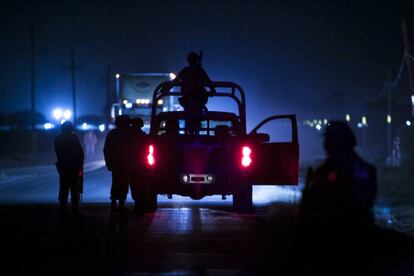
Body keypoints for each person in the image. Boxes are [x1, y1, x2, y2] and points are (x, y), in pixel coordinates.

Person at [300, 121, 377, 227]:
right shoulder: (364, 168)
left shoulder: (327, 171)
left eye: (328, 140)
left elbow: (311, 207)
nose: (325, 144)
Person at [175, 51, 213, 134]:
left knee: (192, 118)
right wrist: (212, 90)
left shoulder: (188, 71)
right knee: (192, 118)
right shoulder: (197, 71)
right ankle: (193, 132)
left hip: (194, 100)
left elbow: (174, 82)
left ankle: (192, 132)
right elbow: (209, 83)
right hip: (194, 100)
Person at [54, 121, 84, 213]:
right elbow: (80, 153)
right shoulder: (74, 138)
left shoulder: (58, 139)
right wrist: (80, 165)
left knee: (63, 187)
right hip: (74, 167)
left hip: (63, 167)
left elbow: (58, 153)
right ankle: (75, 208)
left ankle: (63, 206)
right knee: (75, 187)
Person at [103, 115, 131, 213]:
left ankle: (114, 204)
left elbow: (106, 149)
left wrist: (108, 162)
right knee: (123, 184)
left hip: (116, 163)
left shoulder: (112, 134)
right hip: (125, 163)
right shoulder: (128, 134)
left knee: (116, 183)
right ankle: (121, 204)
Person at [129, 117, 147, 213]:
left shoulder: (128, 136)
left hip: (133, 165)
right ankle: (139, 205)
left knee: (134, 185)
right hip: (140, 165)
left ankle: (138, 205)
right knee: (140, 185)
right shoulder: (143, 136)